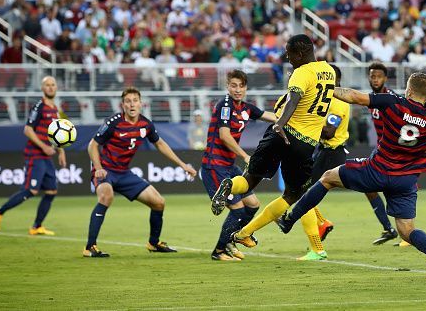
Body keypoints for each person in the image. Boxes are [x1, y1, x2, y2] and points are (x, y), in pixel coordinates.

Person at [277, 41, 426, 282]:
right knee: (407, 231)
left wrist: (324, 86)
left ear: (408, 91)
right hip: (406, 181)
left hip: (377, 170)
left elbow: (353, 96)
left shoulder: (392, 101)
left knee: (327, 178)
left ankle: (289, 219)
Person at [210, 34, 335, 250]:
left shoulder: (300, 73)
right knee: (292, 194)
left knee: (249, 180)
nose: (288, 58)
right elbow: (300, 100)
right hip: (304, 144)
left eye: (289, 54)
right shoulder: (330, 72)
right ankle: (245, 233)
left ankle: (230, 185)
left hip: (280, 134)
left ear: (301, 52)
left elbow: (293, 99)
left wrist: (279, 124)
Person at [84, 87, 197, 257]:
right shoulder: (113, 122)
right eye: (128, 101)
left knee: (159, 202)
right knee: (106, 196)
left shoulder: (145, 124)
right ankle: (90, 247)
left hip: (124, 173)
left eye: (135, 101)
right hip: (106, 171)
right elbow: (92, 145)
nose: (132, 104)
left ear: (141, 103)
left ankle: (154, 243)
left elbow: (160, 144)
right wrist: (98, 168)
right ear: (122, 105)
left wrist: (182, 165)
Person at [200, 70, 277, 261]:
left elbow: (270, 116)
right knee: (238, 210)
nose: (237, 90)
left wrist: (293, 119)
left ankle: (230, 240)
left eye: (241, 86)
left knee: (253, 204)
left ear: (246, 88)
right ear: (227, 86)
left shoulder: (246, 108)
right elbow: (224, 136)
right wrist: (245, 156)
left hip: (228, 165)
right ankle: (219, 251)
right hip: (214, 165)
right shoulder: (224, 106)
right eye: (233, 85)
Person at [0, 77, 66, 236]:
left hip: (46, 157)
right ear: (42, 88)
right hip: (35, 154)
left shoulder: (55, 109)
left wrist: (61, 151)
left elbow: (55, 133)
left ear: (56, 87)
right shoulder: (39, 106)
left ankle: (37, 226)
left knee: (51, 191)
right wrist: (44, 146)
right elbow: (28, 130)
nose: (50, 88)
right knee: (31, 190)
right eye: (47, 85)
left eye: (53, 85)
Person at [297, 64, 349, 261]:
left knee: (303, 193)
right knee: (303, 191)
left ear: (335, 81)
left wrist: (307, 123)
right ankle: (321, 223)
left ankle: (317, 246)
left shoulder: (338, 103)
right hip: (325, 152)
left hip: (332, 153)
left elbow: (329, 132)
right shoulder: (329, 100)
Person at [366, 63, 400, 245]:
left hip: (393, 153)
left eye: (378, 76)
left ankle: (406, 234)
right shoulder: (372, 99)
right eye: (372, 76)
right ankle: (389, 229)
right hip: (381, 150)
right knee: (368, 188)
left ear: (385, 78)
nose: (375, 79)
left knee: (396, 191)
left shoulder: (390, 98)